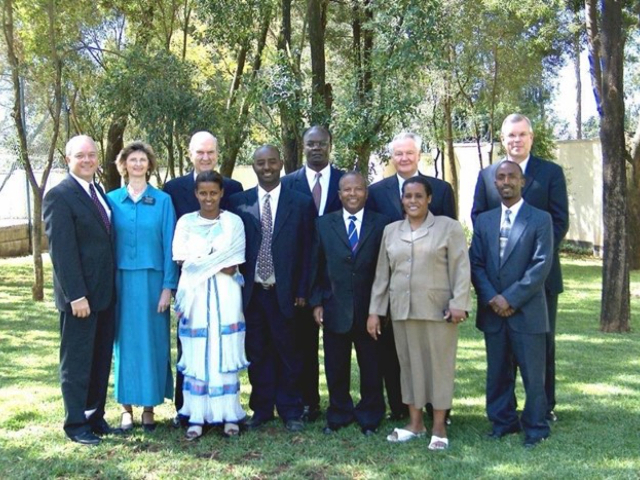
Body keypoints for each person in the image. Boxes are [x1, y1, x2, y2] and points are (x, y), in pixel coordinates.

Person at [471, 114, 568, 422]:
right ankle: (504, 411)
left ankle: (543, 407)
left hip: (538, 279)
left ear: (531, 137)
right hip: (495, 280)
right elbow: (479, 218)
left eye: (522, 134)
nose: (516, 139)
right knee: (500, 350)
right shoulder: (488, 175)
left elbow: (559, 221)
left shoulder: (550, 172)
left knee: (541, 345)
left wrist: (521, 275)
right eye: (510, 135)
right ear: (503, 139)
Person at [368, 176, 471, 450]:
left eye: (418, 196)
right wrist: (375, 311)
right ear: (401, 200)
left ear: (429, 199)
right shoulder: (391, 231)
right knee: (409, 367)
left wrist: (459, 302)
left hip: (439, 311)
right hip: (402, 310)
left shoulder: (448, 227)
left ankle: (438, 427)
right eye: (407, 196)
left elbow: (461, 267)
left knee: (439, 367)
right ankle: (415, 423)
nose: (412, 201)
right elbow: (382, 274)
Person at [366, 131, 456, 422]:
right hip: (397, 289)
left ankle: (438, 412)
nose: (403, 158)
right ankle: (401, 409)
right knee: (399, 355)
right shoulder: (377, 192)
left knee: (434, 356)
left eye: (409, 153)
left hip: (433, 292)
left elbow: (452, 248)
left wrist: (455, 297)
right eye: (398, 153)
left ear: (419, 155)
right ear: (392, 157)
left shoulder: (441, 189)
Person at [229, 145, 316, 432]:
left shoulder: (300, 202)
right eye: (260, 163)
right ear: (253, 166)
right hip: (252, 293)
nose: (266, 167)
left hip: (287, 293)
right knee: (258, 352)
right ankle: (262, 409)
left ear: (280, 164)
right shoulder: (238, 203)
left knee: (290, 353)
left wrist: (303, 289)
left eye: (271, 162)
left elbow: (309, 250)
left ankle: (291, 410)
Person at [43, 135, 122, 445]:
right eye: (80, 156)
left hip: (104, 295)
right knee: (77, 362)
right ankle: (76, 424)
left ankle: (94, 416)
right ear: (68, 160)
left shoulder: (97, 191)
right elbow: (62, 252)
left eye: (92, 155)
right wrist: (76, 295)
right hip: (80, 299)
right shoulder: (59, 196)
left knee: (100, 359)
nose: (88, 160)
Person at [470, 161, 553, 448]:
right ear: (495, 183)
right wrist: (493, 297)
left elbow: (540, 265)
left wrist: (511, 298)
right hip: (493, 311)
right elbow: (476, 263)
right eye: (501, 177)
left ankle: (535, 426)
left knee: (533, 375)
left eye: (512, 177)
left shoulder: (540, 219)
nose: (506, 181)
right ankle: (503, 422)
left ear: (523, 181)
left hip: (527, 311)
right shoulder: (484, 220)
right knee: (498, 372)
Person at [164, 131, 244, 425]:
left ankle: (225, 409)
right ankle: (186, 409)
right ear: (190, 154)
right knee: (190, 346)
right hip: (191, 289)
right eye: (200, 152)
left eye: (211, 152)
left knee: (222, 345)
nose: (206, 157)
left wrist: (207, 261)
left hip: (224, 291)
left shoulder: (234, 187)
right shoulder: (173, 188)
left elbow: (235, 252)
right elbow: (177, 247)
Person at [310, 171, 389, 436]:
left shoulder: (382, 224)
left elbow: (386, 269)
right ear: (339, 194)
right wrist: (317, 301)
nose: (352, 194)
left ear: (366, 193)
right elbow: (316, 266)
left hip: (371, 311)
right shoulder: (323, 224)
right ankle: (339, 413)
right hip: (334, 307)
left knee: (371, 366)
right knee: (336, 366)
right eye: (347, 190)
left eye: (358, 189)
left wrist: (378, 309)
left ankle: (370, 415)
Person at [107, 142, 178, 432]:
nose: (137, 164)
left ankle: (149, 407)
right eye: (132, 159)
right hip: (120, 281)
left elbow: (170, 245)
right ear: (123, 165)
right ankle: (126, 408)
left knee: (153, 343)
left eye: (142, 159)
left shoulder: (162, 201)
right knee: (123, 344)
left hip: (153, 282)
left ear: (149, 164)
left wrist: (167, 287)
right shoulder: (111, 200)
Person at [280, 126, 344, 422]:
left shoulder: (347, 181)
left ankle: (340, 404)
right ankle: (307, 402)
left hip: (337, 277)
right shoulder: (287, 184)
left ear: (330, 145)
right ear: (303, 147)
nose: (316, 148)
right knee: (301, 343)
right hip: (300, 276)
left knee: (338, 345)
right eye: (310, 144)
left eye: (321, 143)